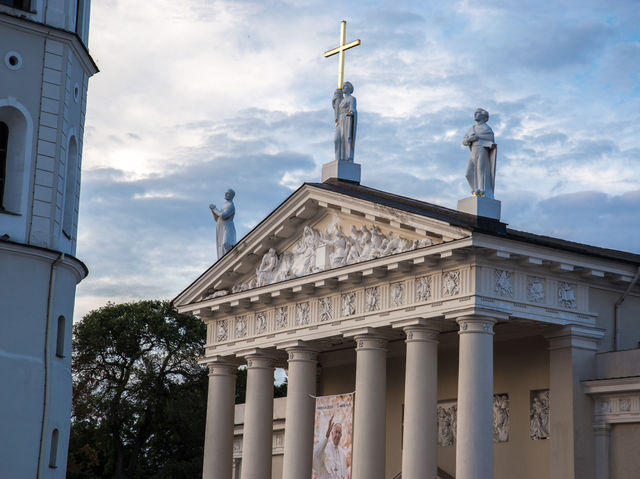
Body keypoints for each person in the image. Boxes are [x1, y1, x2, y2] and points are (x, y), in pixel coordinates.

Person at [462, 108, 497, 198]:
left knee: (481, 170)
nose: (475, 114)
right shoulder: (472, 129)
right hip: (473, 150)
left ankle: (481, 191)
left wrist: (479, 138)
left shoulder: (487, 128)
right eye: (475, 113)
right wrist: (470, 139)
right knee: (468, 174)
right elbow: (465, 141)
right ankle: (475, 189)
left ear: (483, 116)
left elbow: (491, 140)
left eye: (477, 113)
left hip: (482, 149)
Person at [333, 82, 357, 162]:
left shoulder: (352, 99)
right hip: (340, 120)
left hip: (347, 120)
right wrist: (336, 96)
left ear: (349, 89)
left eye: (345, 86)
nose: (343, 87)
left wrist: (349, 115)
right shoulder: (342, 100)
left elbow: (353, 109)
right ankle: (337, 158)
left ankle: (346, 157)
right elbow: (336, 108)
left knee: (346, 139)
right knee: (337, 139)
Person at [209, 189, 236, 259]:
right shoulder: (224, 205)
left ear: (232, 195)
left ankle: (231, 259)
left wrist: (214, 208)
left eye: (227, 193)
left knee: (226, 243)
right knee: (221, 246)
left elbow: (223, 215)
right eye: (225, 193)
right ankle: (224, 260)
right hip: (221, 227)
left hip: (227, 227)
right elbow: (217, 218)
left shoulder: (231, 206)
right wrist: (212, 210)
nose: (225, 194)